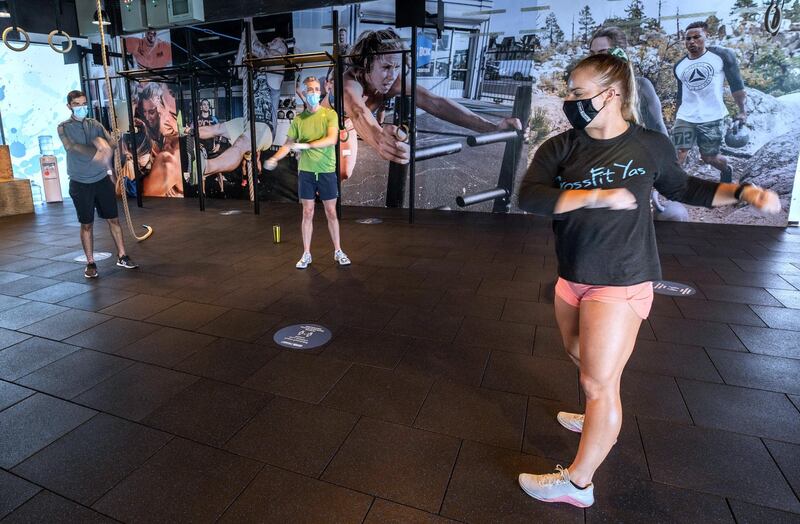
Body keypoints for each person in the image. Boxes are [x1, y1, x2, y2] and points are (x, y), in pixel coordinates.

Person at [515, 51, 780, 508]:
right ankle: (596, 413)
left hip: (622, 279)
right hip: (572, 275)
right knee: (580, 356)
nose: (570, 100)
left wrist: (741, 191)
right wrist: (593, 197)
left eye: (578, 93)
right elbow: (531, 197)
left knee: (601, 385)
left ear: (610, 93)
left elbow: (684, 189)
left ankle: (578, 483)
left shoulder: (648, 145)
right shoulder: (561, 147)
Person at [340, 28, 522, 170]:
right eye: (386, 67)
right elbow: (357, 112)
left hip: (347, 128)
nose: (392, 75)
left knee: (344, 172)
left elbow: (436, 103)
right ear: (366, 64)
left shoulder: (394, 81)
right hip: (324, 123)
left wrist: (492, 127)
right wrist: (380, 139)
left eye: (397, 67)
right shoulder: (351, 81)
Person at [589, 26, 685, 220]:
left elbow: (660, 134)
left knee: (675, 215)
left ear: (618, 54)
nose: (595, 59)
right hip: (604, 175)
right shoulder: (589, 94)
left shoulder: (641, 87)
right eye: (591, 54)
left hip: (640, 171)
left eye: (602, 53)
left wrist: (659, 182)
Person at [265, 77, 351, 269]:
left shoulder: (330, 115)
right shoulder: (298, 120)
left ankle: (338, 251)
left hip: (326, 170)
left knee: (331, 212)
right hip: (306, 172)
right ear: (305, 92)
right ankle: (306, 253)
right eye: (310, 89)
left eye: (316, 89)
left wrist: (307, 145)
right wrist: (274, 158)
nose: (313, 93)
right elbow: (288, 144)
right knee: (307, 212)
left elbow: (331, 139)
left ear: (321, 91)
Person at [189, 21, 287, 178]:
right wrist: (244, 38)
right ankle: (188, 132)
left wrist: (249, 22)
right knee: (218, 128)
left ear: (282, 49)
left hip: (265, 126)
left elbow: (254, 46)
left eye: (276, 42)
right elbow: (239, 71)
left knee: (240, 144)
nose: (271, 42)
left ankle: (205, 167)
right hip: (248, 121)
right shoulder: (257, 67)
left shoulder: (278, 64)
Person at [57, 90, 139, 278]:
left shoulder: (95, 124)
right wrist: (96, 151)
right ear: (69, 106)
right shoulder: (63, 127)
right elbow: (71, 147)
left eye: (84, 103)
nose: (82, 107)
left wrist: (110, 142)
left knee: (114, 219)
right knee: (86, 224)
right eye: (77, 104)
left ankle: (122, 255)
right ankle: (91, 262)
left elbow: (110, 143)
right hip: (80, 182)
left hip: (101, 179)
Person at [673, 21, 747, 183]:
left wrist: (742, 111)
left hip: (712, 117)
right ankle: (674, 190)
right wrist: (676, 116)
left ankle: (726, 170)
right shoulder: (679, 65)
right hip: (685, 117)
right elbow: (681, 93)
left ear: (707, 36)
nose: (691, 41)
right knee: (678, 153)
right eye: (688, 38)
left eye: (696, 37)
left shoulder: (721, 57)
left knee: (708, 157)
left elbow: (737, 85)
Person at [134, 83, 182, 197]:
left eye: (152, 112)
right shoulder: (144, 131)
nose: (147, 117)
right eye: (144, 112)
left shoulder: (172, 144)